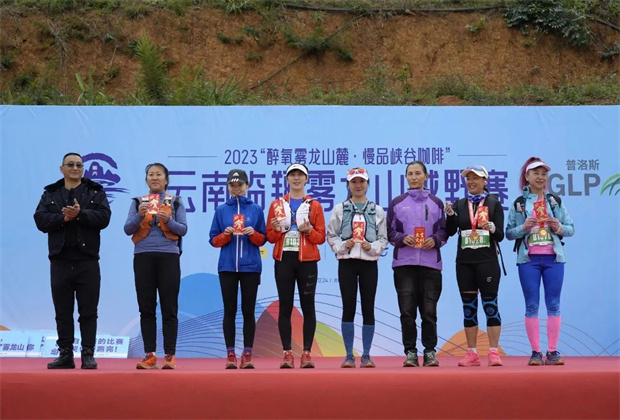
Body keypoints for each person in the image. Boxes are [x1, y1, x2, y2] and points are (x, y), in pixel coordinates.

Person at [34, 152, 111, 370]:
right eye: (70, 165)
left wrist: (80, 214)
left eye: (79, 165)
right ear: (62, 169)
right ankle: (65, 354)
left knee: (88, 311)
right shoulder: (50, 193)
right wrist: (63, 218)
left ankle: (88, 354)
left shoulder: (95, 191)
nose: (75, 168)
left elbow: (104, 218)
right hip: (60, 261)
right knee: (62, 312)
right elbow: (40, 219)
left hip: (87, 260)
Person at [506, 157, 574, 366]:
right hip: (528, 260)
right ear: (526, 177)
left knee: (553, 304)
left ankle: (552, 351)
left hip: (554, 258)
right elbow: (508, 233)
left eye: (544, 174)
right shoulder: (519, 204)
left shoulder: (554, 201)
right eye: (536, 173)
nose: (540, 177)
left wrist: (558, 227)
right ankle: (535, 352)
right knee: (531, 305)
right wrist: (524, 227)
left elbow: (570, 229)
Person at [124, 163, 187, 370]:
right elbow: (127, 229)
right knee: (146, 307)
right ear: (146, 180)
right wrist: (139, 216)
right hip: (143, 256)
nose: (154, 178)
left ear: (166, 180)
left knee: (169, 307)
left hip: (169, 257)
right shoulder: (137, 202)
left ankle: (170, 355)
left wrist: (168, 220)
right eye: (151, 174)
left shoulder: (175, 202)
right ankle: (149, 355)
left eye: (159, 174)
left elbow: (183, 229)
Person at [387, 161, 447, 367]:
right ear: (406, 177)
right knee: (407, 311)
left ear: (426, 176)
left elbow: (444, 230)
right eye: (410, 174)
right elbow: (389, 232)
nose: (414, 177)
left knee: (429, 312)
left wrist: (435, 240)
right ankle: (410, 352)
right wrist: (402, 238)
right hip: (404, 264)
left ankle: (430, 351)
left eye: (418, 173)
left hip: (431, 265)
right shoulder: (397, 203)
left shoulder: (437, 203)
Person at [266, 163, 326, 369]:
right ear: (287, 179)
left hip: (307, 261)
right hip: (284, 260)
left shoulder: (314, 206)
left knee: (308, 306)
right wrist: (275, 229)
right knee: (285, 306)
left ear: (306, 179)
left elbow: (321, 238)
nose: (296, 178)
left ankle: (307, 353)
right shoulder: (276, 204)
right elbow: (270, 237)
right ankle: (287, 353)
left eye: (300, 175)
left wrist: (308, 231)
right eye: (293, 175)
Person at [327, 167, 388, 368]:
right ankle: (348, 356)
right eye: (354, 182)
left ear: (368, 184)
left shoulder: (377, 210)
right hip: (347, 263)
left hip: (369, 264)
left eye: (362, 181)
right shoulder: (340, 209)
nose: (358, 185)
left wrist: (373, 247)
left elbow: (383, 238)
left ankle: (367, 355)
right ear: (348, 185)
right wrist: (343, 246)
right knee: (348, 307)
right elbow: (331, 235)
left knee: (368, 307)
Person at [445, 165, 505, 367]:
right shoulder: (460, 204)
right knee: (469, 308)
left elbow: (500, 235)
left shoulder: (494, 203)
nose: (471, 182)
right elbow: (450, 231)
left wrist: (493, 228)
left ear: (485, 181)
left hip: (487, 262)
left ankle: (493, 351)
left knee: (490, 306)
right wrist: (450, 215)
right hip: (464, 263)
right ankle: (472, 353)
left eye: (476, 178)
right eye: (468, 178)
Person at [209, 169, 266, 369]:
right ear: (228, 187)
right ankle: (231, 354)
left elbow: (263, 239)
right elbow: (213, 240)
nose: (236, 189)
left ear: (247, 185)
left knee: (248, 311)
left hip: (251, 267)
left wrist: (253, 234)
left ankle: (247, 354)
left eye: (240, 185)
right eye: (232, 186)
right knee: (229, 311)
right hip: (227, 267)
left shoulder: (256, 209)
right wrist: (225, 235)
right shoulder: (221, 210)